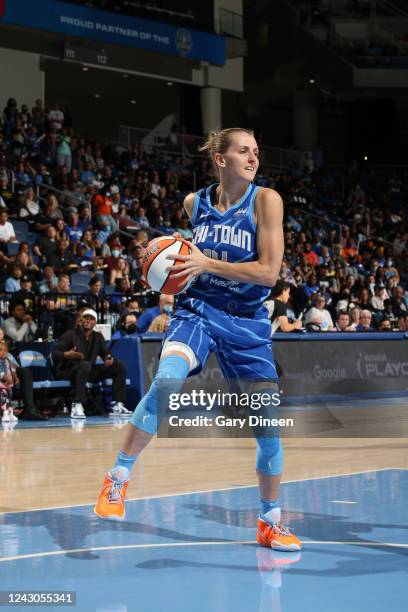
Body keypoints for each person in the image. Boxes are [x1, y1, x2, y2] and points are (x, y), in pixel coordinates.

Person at [94, 127, 301, 551]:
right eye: (244, 150)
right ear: (220, 159)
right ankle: (118, 478)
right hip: (198, 311)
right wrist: (162, 260)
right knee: (167, 381)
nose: (253, 157)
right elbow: (185, 261)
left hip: (246, 323)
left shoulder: (266, 201)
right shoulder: (196, 203)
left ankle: (269, 520)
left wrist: (205, 261)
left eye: (256, 151)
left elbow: (267, 273)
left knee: (267, 432)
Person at [52, 309, 131, 419]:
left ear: (95, 322)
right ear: (81, 320)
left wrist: (108, 358)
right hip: (68, 371)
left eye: (91, 319)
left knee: (119, 366)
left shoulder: (98, 336)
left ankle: (117, 405)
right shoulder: (70, 334)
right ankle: (77, 404)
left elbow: (105, 353)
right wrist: (67, 354)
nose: (88, 321)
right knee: (85, 365)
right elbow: (55, 353)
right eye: (86, 318)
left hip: (88, 370)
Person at [0, 340, 18, 423]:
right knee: (4, 398)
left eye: (5, 351)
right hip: (2, 384)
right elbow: (1, 373)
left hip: (9, 384)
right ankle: (5, 413)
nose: (3, 352)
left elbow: (13, 369)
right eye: (0, 350)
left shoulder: (7, 360)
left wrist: (16, 377)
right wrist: (5, 378)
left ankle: (10, 412)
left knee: (10, 397)